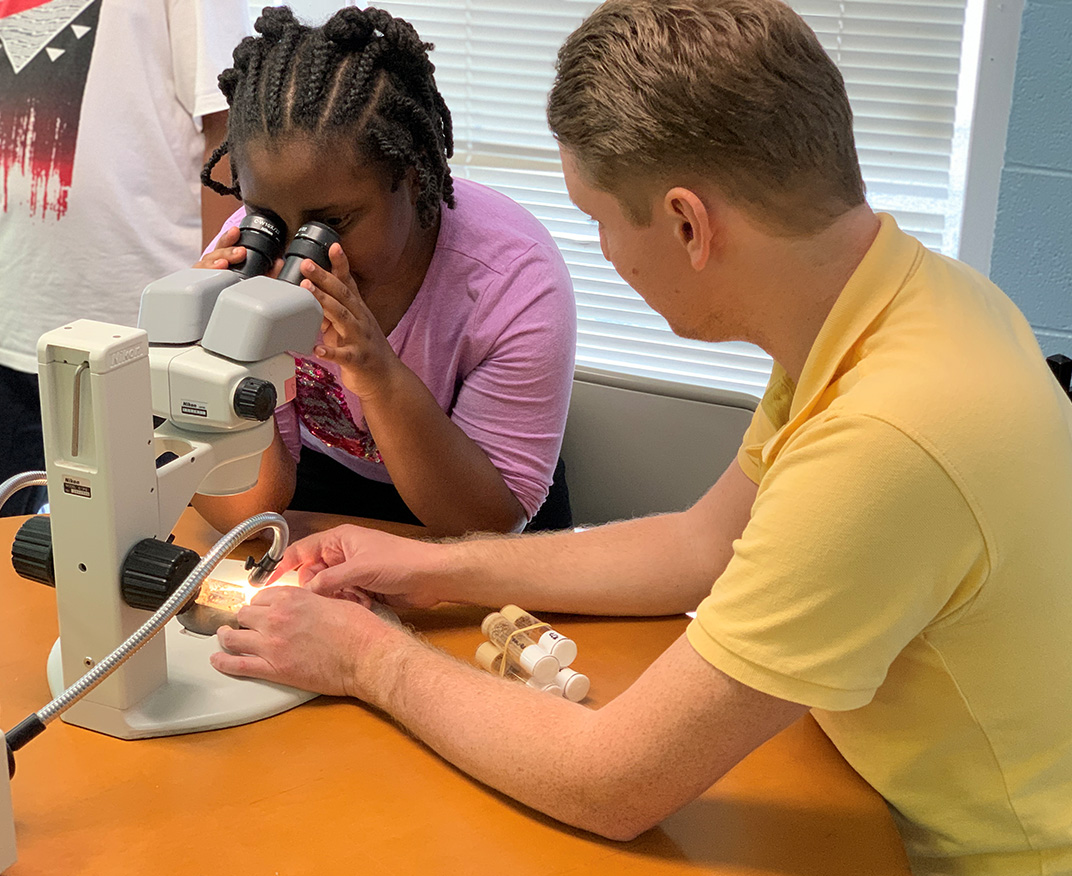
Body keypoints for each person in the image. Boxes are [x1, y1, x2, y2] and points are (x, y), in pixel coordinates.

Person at [208, 1, 1072, 873]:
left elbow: (613, 782)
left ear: (689, 225)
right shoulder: (897, 302)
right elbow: (702, 546)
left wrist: (366, 658)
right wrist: (431, 569)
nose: (604, 251)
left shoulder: (886, 438)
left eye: (601, 219)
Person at [193, 6, 576, 538]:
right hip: (324, 479)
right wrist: (215, 361)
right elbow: (247, 514)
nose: (299, 259)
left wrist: (377, 373)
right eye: (270, 219)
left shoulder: (512, 279)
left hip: (475, 490)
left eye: (332, 222)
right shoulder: (251, 248)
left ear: (414, 178)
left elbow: (489, 525)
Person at [0, 0, 250, 516]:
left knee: (142, 548)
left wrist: (208, 312)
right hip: (14, 314)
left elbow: (227, 129)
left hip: (142, 332)